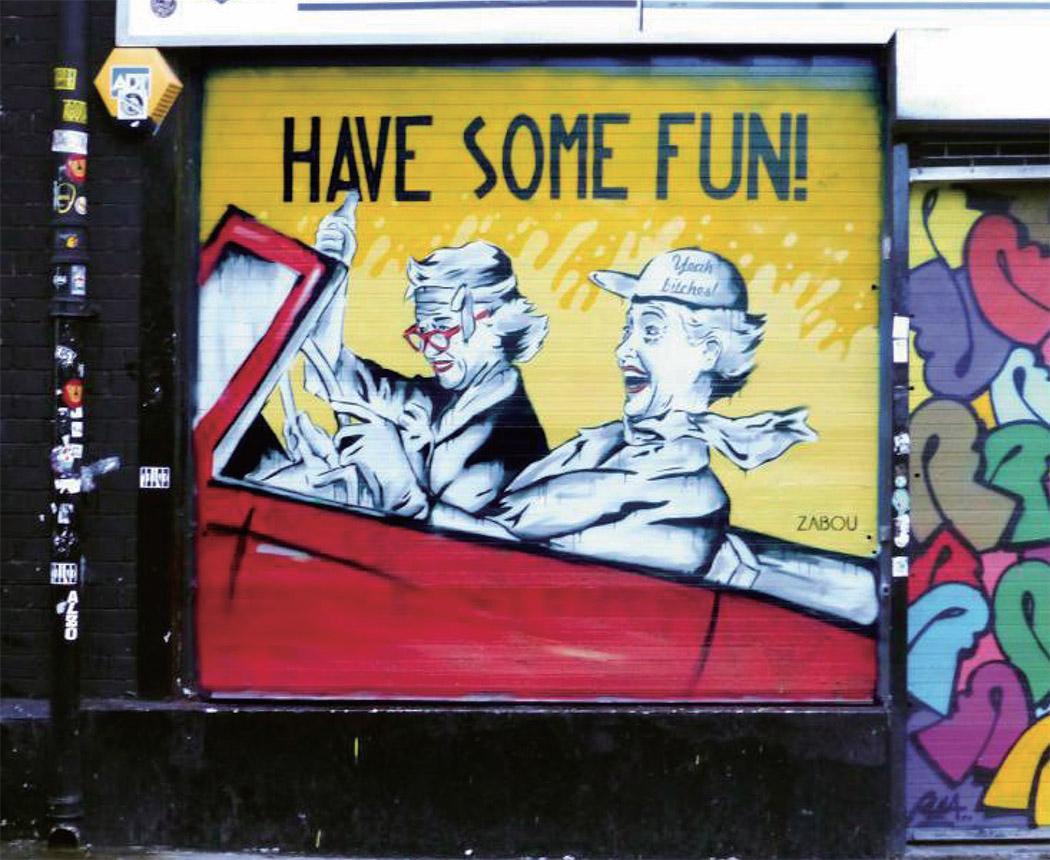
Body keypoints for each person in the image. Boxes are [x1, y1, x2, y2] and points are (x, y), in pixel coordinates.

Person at [436, 247, 877, 625]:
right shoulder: (603, 443)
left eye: (650, 331)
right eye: (628, 329)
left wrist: (409, 498)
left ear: (708, 352)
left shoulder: (680, 488)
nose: (623, 350)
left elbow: (497, 550)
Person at [259, 191, 550, 520]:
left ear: (497, 321)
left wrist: (397, 477)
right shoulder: (435, 398)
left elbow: (460, 540)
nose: (428, 348)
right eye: (422, 333)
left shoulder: (515, 436)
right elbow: (328, 374)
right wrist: (332, 271)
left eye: (442, 329)